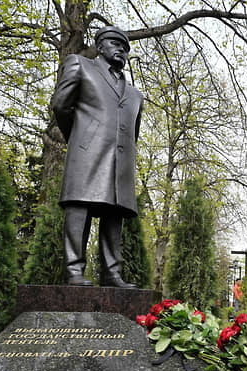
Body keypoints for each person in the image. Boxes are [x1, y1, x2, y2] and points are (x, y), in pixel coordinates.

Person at [51, 26, 143, 288]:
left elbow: (132, 133)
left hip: (120, 162)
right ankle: (73, 270)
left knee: (114, 213)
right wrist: (81, 138)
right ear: (100, 46)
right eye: (115, 44)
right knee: (79, 208)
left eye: (125, 48)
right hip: (86, 154)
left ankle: (112, 273)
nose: (121, 50)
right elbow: (61, 106)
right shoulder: (79, 65)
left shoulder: (136, 95)